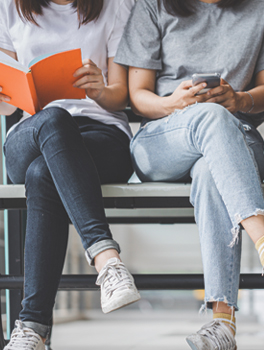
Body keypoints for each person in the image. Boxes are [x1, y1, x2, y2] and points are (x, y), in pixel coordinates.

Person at [114, 0, 264, 348]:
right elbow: (138, 95)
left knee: (209, 171)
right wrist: (174, 102)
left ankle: (222, 323)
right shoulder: (153, 5)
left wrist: (240, 100)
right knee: (210, 117)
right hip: (163, 139)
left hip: (234, 141)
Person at [0, 0, 141, 349]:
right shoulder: (8, 7)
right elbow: (7, 103)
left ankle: (33, 327)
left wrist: (99, 90)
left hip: (101, 134)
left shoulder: (115, 6)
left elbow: (121, 94)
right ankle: (107, 259)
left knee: (42, 173)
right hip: (34, 130)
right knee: (55, 119)